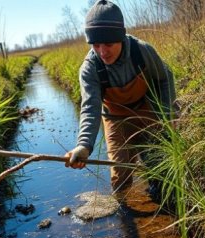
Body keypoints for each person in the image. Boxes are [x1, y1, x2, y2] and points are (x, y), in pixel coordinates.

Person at [64, 0, 176, 197]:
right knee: (120, 170)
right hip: (114, 118)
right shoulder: (89, 68)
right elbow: (90, 108)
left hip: (146, 109)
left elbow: (165, 79)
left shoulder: (142, 51)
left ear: (121, 37)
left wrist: (167, 116)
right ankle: (124, 214)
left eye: (108, 44)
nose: (102, 52)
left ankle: (161, 195)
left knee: (157, 160)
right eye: (96, 45)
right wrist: (84, 145)